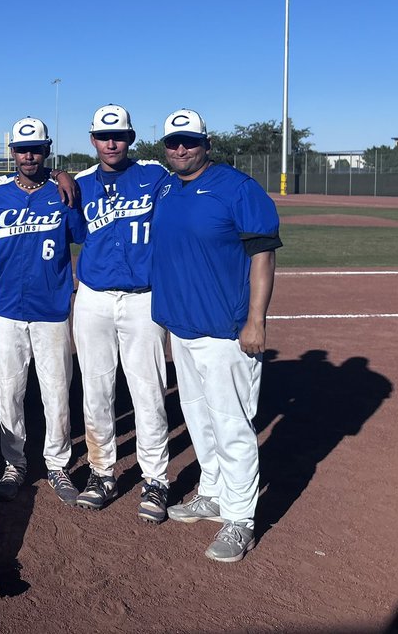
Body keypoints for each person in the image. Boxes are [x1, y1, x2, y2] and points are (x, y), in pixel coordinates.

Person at [151, 109, 281, 562]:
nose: (180, 149)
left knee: (232, 425)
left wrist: (255, 321)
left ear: (206, 142)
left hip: (226, 331)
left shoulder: (238, 188)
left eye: (188, 141)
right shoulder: (166, 186)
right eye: (172, 142)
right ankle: (213, 491)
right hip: (181, 327)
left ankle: (241, 519)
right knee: (198, 416)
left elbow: (263, 257)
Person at [71, 105, 172, 522]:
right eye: (103, 135)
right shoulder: (77, 185)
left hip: (142, 298)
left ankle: (156, 478)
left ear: (130, 139)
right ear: (92, 140)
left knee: (148, 389)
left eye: (118, 135)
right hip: (93, 297)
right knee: (95, 389)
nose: (111, 142)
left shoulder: (154, 177)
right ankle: (101, 472)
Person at [0, 117, 85, 504]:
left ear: (47, 149)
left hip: (52, 308)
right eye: (22, 149)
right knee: (10, 390)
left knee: (56, 391)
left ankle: (57, 464)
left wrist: (63, 175)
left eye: (36, 148)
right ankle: (14, 462)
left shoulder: (62, 194)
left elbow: (82, 235)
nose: (28, 155)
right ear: (12, 152)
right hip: (8, 308)